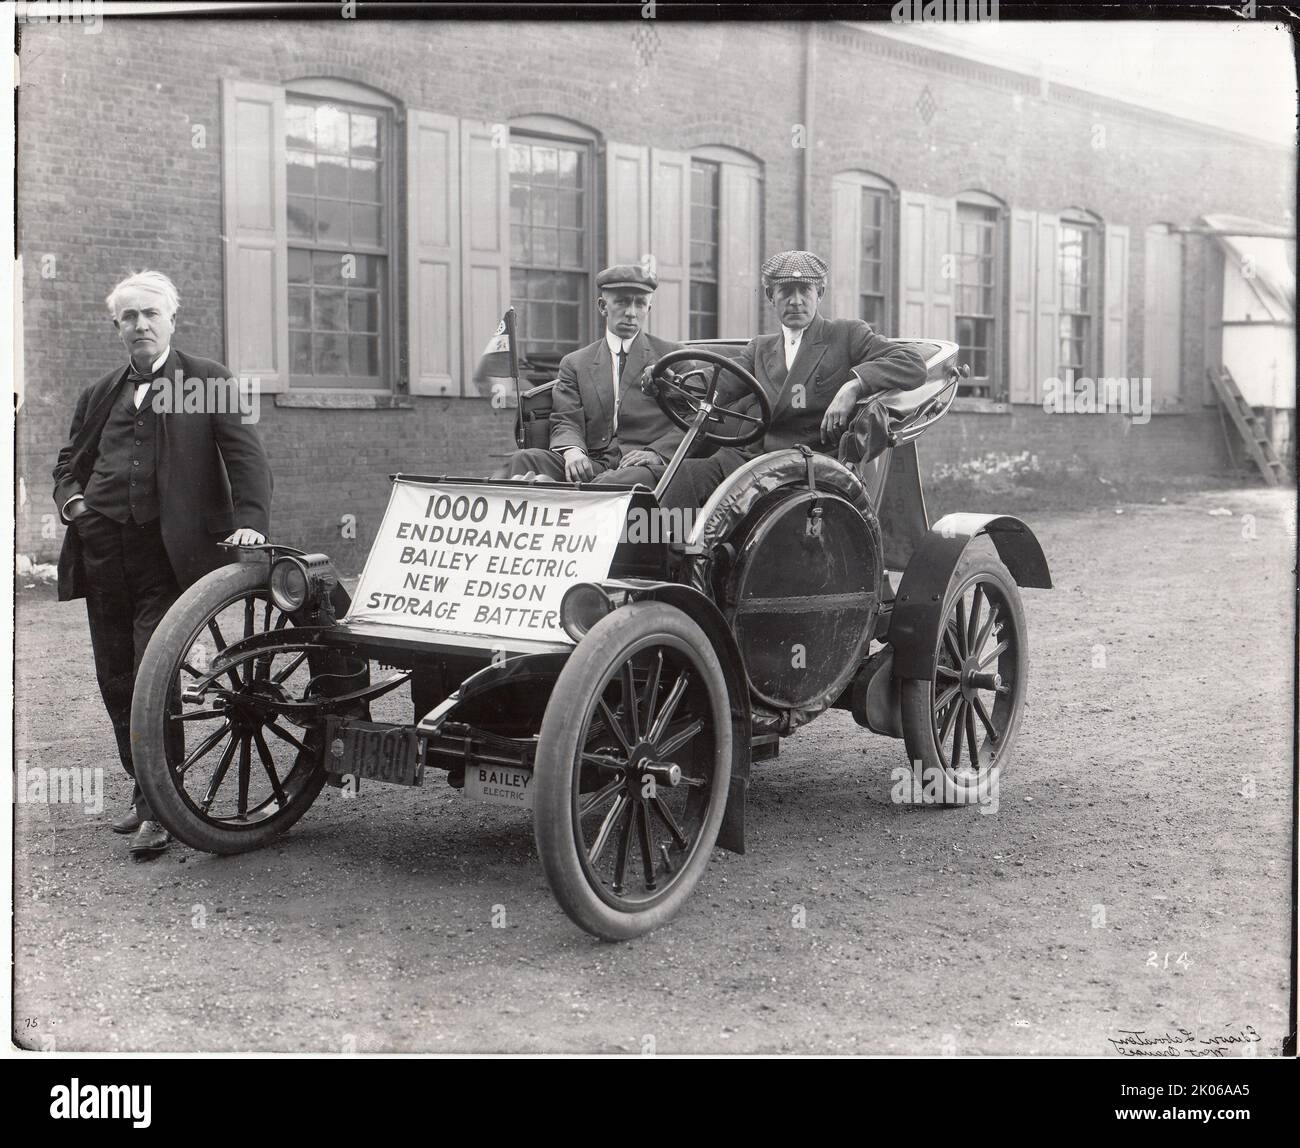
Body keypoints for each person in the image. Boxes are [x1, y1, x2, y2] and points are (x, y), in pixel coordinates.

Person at [52, 270, 273, 859]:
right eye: (130, 316)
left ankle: (159, 804)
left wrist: (249, 520)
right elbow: (68, 462)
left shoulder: (206, 381)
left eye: (151, 314)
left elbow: (245, 457)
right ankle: (143, 785)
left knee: (156, 676)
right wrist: (73, 502)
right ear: (117, 326)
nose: (141, 325)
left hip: (167, 554)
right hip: (103, 549)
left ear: (173, 319)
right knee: (115, 676)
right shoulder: (101, 391)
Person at [654, 249, 927, 513]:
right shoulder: (760, 348)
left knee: (734, 511)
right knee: (686, 476)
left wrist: (854, 385)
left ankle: (697, 554)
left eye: (804, 290)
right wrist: (672, 381)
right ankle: (664, 553)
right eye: (785, 292)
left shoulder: (845, 335)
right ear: (771, 296)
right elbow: (719, 383)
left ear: (819, 294)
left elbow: (911, 363)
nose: (796, 300)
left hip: (807, 465)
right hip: (751, 457)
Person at [502, 264, 685, 488]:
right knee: (524, 460)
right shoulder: (575, 363)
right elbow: (566, 419)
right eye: (622, 302)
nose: (631, 312)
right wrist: (572, 451)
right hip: (593, 462)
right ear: (602, 306)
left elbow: (696, 421)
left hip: (644, 467)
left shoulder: (674, 357)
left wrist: (657, 454)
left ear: (648, 309)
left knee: (608, 483)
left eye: (640, 303)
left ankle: (563, 499)